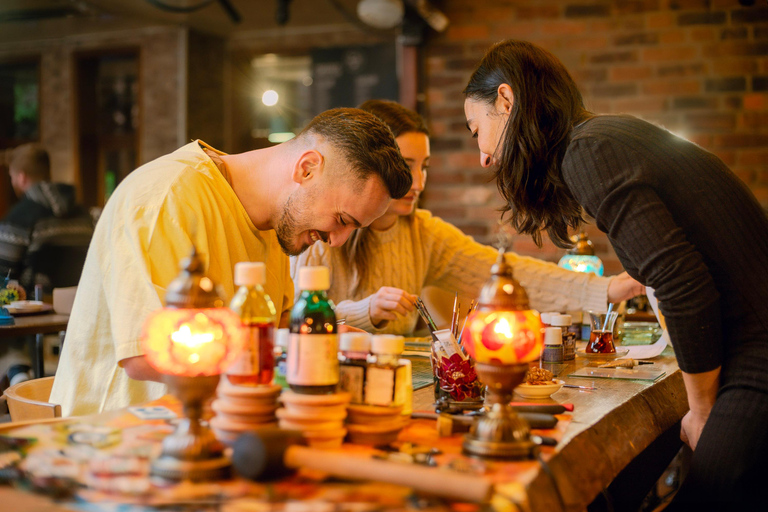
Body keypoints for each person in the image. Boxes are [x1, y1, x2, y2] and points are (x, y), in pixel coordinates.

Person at [463, 39, 768, 508]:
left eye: (476, 129)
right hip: (748, 340)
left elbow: (682, 286)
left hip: (758, 346)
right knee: (627, 479)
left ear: (506, 101)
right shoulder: (603, 139)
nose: (482, 156)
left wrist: (702, 411)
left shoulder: (589, 149)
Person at [49, 108, 412, 417]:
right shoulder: (168, 195)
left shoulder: (277, 224)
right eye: (343, 219)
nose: (337, 241)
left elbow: (276, 325)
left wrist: (324, 337)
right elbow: (146, 354)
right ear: (306, 169)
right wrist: (285, 355)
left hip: (221, 427)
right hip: (115, 440)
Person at [292, 99, 643, 334]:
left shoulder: (423, 233)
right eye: (404, 166)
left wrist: (608, 288)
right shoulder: (325, 227)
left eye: (424, 167)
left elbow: (510, 273)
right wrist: (364, 311)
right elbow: (289, 323)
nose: (417, 182)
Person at [0, 143, 93, 294]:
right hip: (79, 310)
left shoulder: (18, 219)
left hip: (36, 312)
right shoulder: (84, 215)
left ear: (21, 177)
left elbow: (3, 274)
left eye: (11, 176)